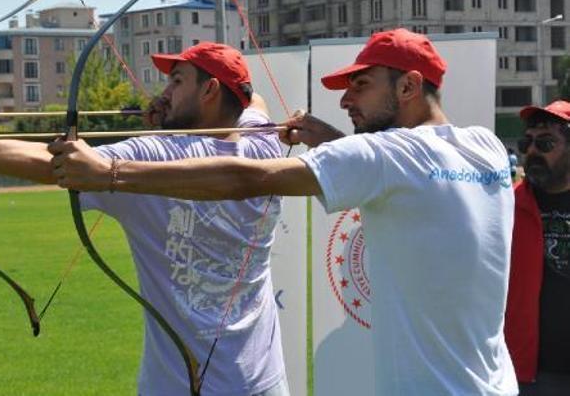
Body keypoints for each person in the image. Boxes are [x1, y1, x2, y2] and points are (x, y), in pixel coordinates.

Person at [51, 28, 519, 396]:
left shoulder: (382, 155)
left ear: (410, 86)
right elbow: (407, 171)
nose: (345, 98)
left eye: (361, 84)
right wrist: (332, 140)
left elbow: (248, 178)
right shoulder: (486, 146)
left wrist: (109, 171)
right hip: (498, 386)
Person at [0, 42, 289, 395]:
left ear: (209, 91)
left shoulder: (154, 155)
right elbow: (253, 98)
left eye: (176, 81)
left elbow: (56, 162)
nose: (166, 92)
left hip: (180, 386)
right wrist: (177, 108)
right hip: (262, 381)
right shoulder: (263, 143)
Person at [505, 100, 570, 395]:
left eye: (545, 143)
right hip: (530, 375)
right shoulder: (505, 205)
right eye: (526, 142)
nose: (531, 152)